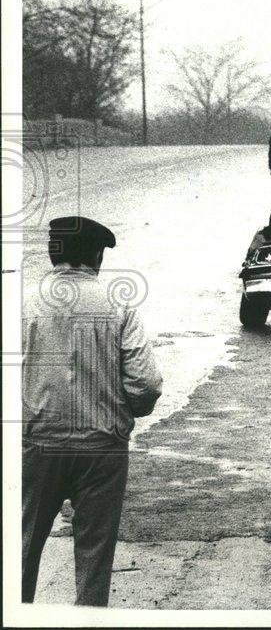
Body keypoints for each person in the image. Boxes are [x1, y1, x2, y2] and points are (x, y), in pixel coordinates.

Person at [22, 217, 163, 606]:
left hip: (37, 446)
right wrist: (123, 413)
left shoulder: (24, 301)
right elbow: (145, 384)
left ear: (55, 253)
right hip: (102, 449)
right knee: (94, 558)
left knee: (20, 548)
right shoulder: (119, 304)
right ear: (96, 255)